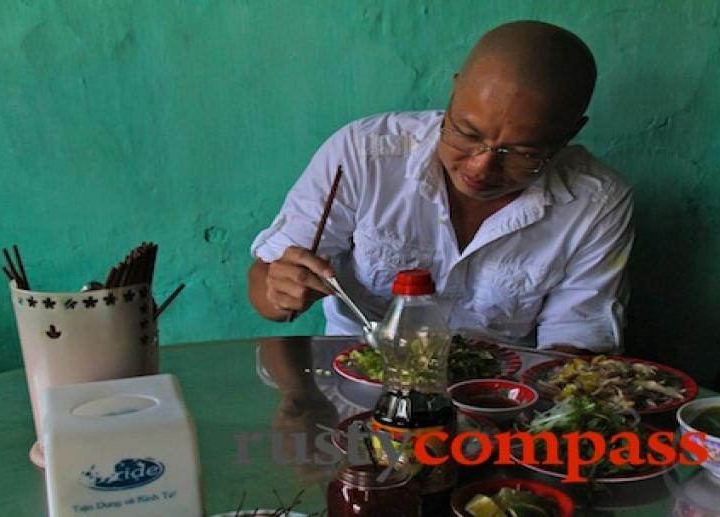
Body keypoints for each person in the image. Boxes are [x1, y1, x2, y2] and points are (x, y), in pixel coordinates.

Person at [248, 20, 634, 354]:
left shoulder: (596, 202)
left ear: (571, 133)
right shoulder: (364, 155)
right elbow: (266, 282)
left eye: (520, 153)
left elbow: (577, 341)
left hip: (496, 398)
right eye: (467, 133)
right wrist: (279, 291)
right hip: (360, 378)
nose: (481, 166)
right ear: (453, 92)